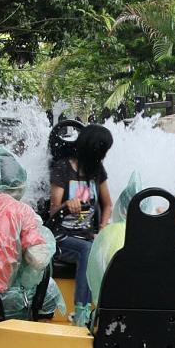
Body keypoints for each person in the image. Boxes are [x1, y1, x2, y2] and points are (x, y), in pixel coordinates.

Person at [0, 148, 64, 319]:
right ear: (19, 183)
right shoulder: (22, 211)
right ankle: (35, 337)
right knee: (50, 291)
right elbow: (38, 260)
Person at [48, 124, 114, 326]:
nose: (102, 157)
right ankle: (81, 312)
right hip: (61, 236)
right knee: (88, 249)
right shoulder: (63, 168)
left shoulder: (97, 171)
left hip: (86, 236)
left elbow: (108, 204)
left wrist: (103, 228)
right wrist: (67, 205)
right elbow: (52, 212)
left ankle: (108, 311)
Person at [86, 171, 142, 306]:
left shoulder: (107, 234)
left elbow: (93, 274)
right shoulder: (155, 234)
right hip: (145, 308)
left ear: (120, 207)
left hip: (110, 307)